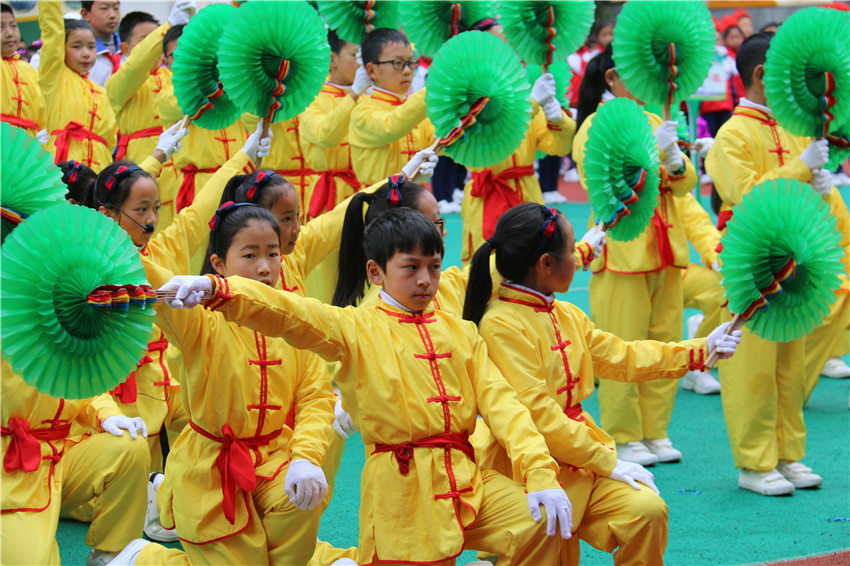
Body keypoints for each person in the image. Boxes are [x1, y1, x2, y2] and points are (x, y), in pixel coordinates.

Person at [160, 207, 574, 565]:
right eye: (411, 268)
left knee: (543, 522)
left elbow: (504, 406)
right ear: (375, 272)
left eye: (434, 266)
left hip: (468, 483)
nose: (426, 280)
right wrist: (221, 289)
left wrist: (539, 472)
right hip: (403, 492)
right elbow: (291, 312)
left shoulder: (461, 332)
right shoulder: (355, 328)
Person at [463, 203, 741, 565]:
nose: (579, 257)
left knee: (646, 511)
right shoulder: (500, 323)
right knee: (548, 537)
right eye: (572, 250)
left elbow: (623, 356)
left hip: (580, 461)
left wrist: (699, 350)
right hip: (527, 469)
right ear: (546, 264)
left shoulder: (566, 313)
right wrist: (607, 462)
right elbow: (537, 414)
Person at [706, 32, 835, 495]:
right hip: (752, 263)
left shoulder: (793, 129)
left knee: (789, 365)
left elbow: (808, 200)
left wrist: (821, 189)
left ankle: (788, 454)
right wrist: (802, 168)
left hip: (795, 260)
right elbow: (747, 197)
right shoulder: (731, 134)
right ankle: (755, 463)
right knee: (754, 368)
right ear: (761, 75)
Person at [572, 45, 705, 467]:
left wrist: (675, 160)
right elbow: (601, 184)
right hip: (622, 250)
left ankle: (656, 431)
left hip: (667, 250)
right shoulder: (594, 127)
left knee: (665, 341)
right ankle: (624, 435)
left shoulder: (654, 120)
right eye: (636, 71)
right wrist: (655, 157)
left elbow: (685, 184)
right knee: (623, 346)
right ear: (612, 77)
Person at [461, 72, 576, 265]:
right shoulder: (474, 106)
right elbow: (498, 135)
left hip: (527, 192)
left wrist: (558, 119)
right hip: (486, 195)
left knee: (533, 259)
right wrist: (533, 103)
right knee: (487, 262)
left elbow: (558, 147)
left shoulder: (525, 106)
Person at [38, 0, 117, 172]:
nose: (85, 54)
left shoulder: (102, 92)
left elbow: (110, 141)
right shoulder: (56, 77)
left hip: (99, 170)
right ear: (61, 49)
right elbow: (52, 32)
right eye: (76, 46)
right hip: (64, 167)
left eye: (91, 47)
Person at [349, 28, 435, 186]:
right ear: (371, 70)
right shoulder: (362, 112)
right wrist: (436, 86)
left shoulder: (416, 110)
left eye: (410, 63)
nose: (407, 71)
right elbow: (392, 125)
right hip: (378, 199)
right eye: (398, 63)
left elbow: (440, 141)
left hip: (415, 198)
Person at [1, 3, 46, 138]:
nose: (9, 33)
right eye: (0, 27)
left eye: (13, 26)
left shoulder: (31, 72)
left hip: (29, 145)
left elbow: (43, 118)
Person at [80, 0, 121, 86]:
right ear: (85, 14)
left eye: (116, 8)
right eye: (104, 8)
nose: (112, 15)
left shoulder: (128, 49)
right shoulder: (76, 54)